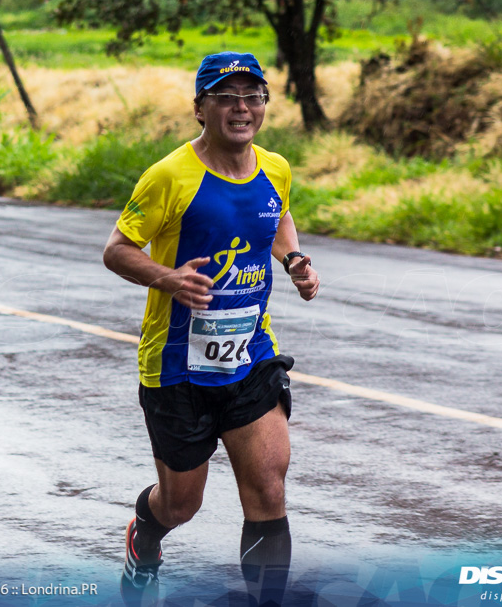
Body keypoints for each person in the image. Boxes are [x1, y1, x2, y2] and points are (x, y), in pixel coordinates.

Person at [103, 51, 320, 606]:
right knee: (181, 505)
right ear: (200, 108)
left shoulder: (275, 167)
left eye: (253, 96)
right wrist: (169, 278)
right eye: (226, 97)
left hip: (250, 356)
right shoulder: (168, 177)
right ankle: (145, 536)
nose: (241, 108)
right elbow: (118, 250)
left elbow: (277, 214)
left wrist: (293, 259)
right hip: (177, 366)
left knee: (269, 486)